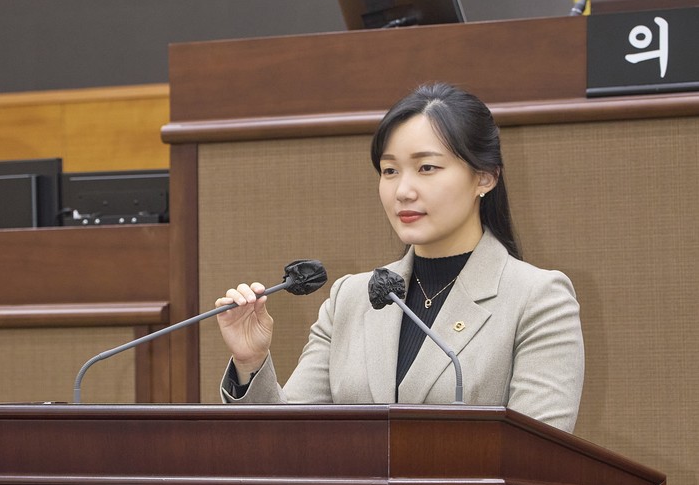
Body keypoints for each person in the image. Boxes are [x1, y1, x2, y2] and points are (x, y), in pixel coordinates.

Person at [215, 82, 584, 432]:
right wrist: (251, 362)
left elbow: (537, 458)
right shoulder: (352, 298)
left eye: (427, 168)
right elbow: (287, 444)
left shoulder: (538, 298)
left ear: (484, 177)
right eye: (390, 171)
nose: (403, 191)